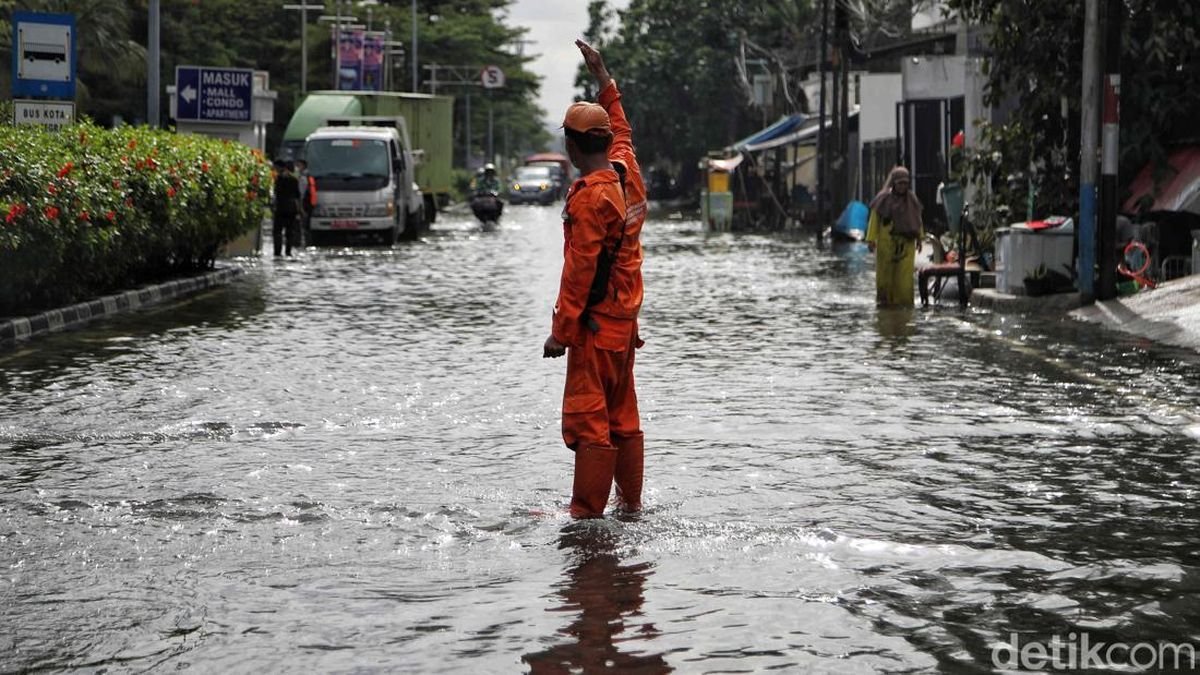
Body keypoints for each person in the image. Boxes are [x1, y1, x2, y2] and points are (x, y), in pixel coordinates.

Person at [542, 39, 648, 519]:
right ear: (604, 141)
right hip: (625, 325)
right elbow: (622, 126)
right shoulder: (627, 174)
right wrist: (604, 77)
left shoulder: (590, 198)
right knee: (623, 416)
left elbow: (578, 273)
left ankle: (585, 517)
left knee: (590, 422)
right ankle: (631, 508)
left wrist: (560, 333)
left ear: (570, 146)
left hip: (595, 326)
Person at [865, 166, 923, 306]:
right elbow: (875, 220)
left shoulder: (911, 201)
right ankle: (884, 303)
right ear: (894, 183)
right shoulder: (883, 200)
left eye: (905, 183)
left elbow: (917, 220)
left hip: (906, 244)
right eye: (899, 183)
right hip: (887, 243)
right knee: (885, 277)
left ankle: (904, 304)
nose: (902, 187)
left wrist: (920, 238)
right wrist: (871, 239)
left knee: (904, 278)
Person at [272, 159, 302, 257]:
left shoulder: (278, 178)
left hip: (281, 207)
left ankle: (277, 252)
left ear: (280, 167)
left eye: (275, 167)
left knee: (277, 231)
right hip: (291, 207)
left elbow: (276, 193)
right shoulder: (294, 178)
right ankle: (288, 252)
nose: (274, 169)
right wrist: (299, 210)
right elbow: (297, 196)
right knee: (290, 232)